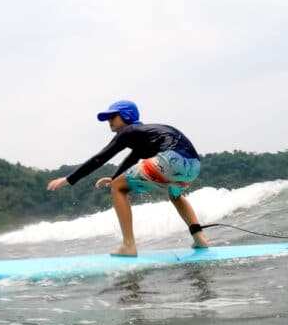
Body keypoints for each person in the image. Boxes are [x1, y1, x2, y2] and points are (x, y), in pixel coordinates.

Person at [47, 100, 209, 256]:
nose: (109, 121)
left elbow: (100, 158)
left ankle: (128, 246)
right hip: (193, 167)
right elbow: (133, 158)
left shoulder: (128, 131)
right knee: (175, 195)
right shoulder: (145, 134)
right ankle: (199, 238)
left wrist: (69, 179)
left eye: (113, 116)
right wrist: (114, 177)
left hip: (171, 159)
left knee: (118, 188)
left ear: (126, 115)